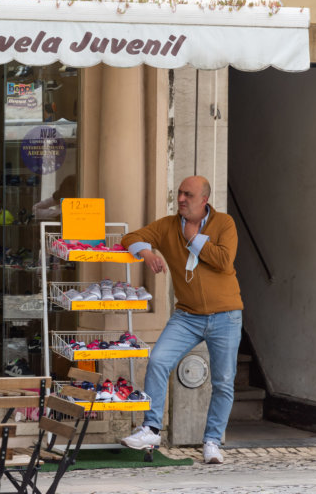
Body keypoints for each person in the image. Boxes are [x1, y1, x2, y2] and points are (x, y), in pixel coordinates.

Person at [119, 175, 241, 465]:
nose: (181, 199)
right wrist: (147, 252)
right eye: (180, 193)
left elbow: (224, 261)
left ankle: (212, 441)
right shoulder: (167, 225)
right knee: (159, 359)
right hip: (187, 316)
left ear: (204, 200)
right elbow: (130, 237)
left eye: (188, 195)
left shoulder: (225, 224)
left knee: (224, 381)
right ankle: (151, 428)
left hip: (226, 316)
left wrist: (192, 237)